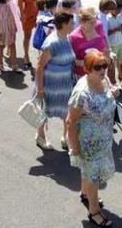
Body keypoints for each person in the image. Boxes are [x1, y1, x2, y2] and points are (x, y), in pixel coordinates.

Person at [66, 52, 119, 227]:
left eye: (105, 65)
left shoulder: (104, 80)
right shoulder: (81, 93)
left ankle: (85, 194)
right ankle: (94, 211)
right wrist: (74, 147)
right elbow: (70, 121)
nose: (103, 70)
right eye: (98, 67)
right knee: (93, 177)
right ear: (87, 69)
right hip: (88, 143)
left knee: (89, 173)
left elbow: (107, 97)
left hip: (103, 138)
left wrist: (114, 92)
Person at [35, 11, 77, 151]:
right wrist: (40, 89)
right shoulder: (51, 42)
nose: (74, 25)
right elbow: (40, 66)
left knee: (67, 111)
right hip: (49, 85)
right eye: (71, 22)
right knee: (44, 111)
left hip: (65, 83)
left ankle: (65, 137)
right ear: (64, 24)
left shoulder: (68, 37)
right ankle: (40, 137)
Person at [17, 0, 51, 67]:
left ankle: (41, 55)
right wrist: (22, 14)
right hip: (28, 13)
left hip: (41, 14)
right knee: (27, 36)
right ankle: (26, 55)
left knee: (42, 35)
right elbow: (20, 2)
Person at [70, 7, 111, 79]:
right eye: (91, 23)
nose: (94, 25)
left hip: (101, 70)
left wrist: (107, 54)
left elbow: (104, 39)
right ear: (81, 22)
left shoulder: (99, 25)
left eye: (95, 21)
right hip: (84, 75)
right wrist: (85, 63)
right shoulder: (74, 37)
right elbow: (72, 60)